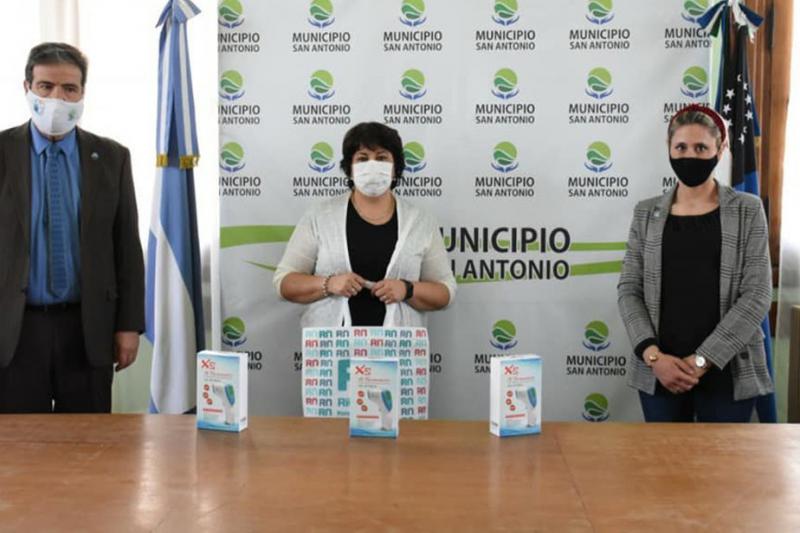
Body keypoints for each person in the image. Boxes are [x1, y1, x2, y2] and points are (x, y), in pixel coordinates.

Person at [0, 43, 144, 413]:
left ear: (82, 93)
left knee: (89, 441)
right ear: (27, 88)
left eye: (69, 89)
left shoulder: (112, 157)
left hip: (88, 327)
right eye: (45, 86)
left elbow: (126, 247)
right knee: (20, 443)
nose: (57, 99)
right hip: (14, 329)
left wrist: (129, 326)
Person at [617, 104, 773, 422]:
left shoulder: (748, 210)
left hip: (729, 370)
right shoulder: (645, 213)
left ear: (720, 149)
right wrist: (653, 356)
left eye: (701, 148)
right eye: (681, 147)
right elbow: (629, 289)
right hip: (661, 371)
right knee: (664, 456)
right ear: (669, 148)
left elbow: (757, 294)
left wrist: (702, 360)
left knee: (722, 457)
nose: (690, 155)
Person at [274, 122, 455, 327]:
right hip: (331, 345)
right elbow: (285, 283)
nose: (372, 166)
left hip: (398, 345)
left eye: (382, 158)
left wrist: (408, 289)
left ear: (395, 167)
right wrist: (329, 284)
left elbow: (445, 292)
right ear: (349, 168)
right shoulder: (319, 217)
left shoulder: (421, 222)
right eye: (362, 158)